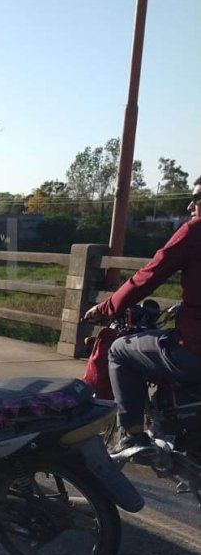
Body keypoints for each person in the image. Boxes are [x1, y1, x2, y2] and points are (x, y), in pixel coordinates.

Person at [84, 176, 201, 454]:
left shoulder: (195, 232)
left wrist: (105, 307)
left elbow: (150, 275)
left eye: (197, 199)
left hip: (195, 349)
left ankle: (133, 435)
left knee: (120, 351)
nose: (191, 206)